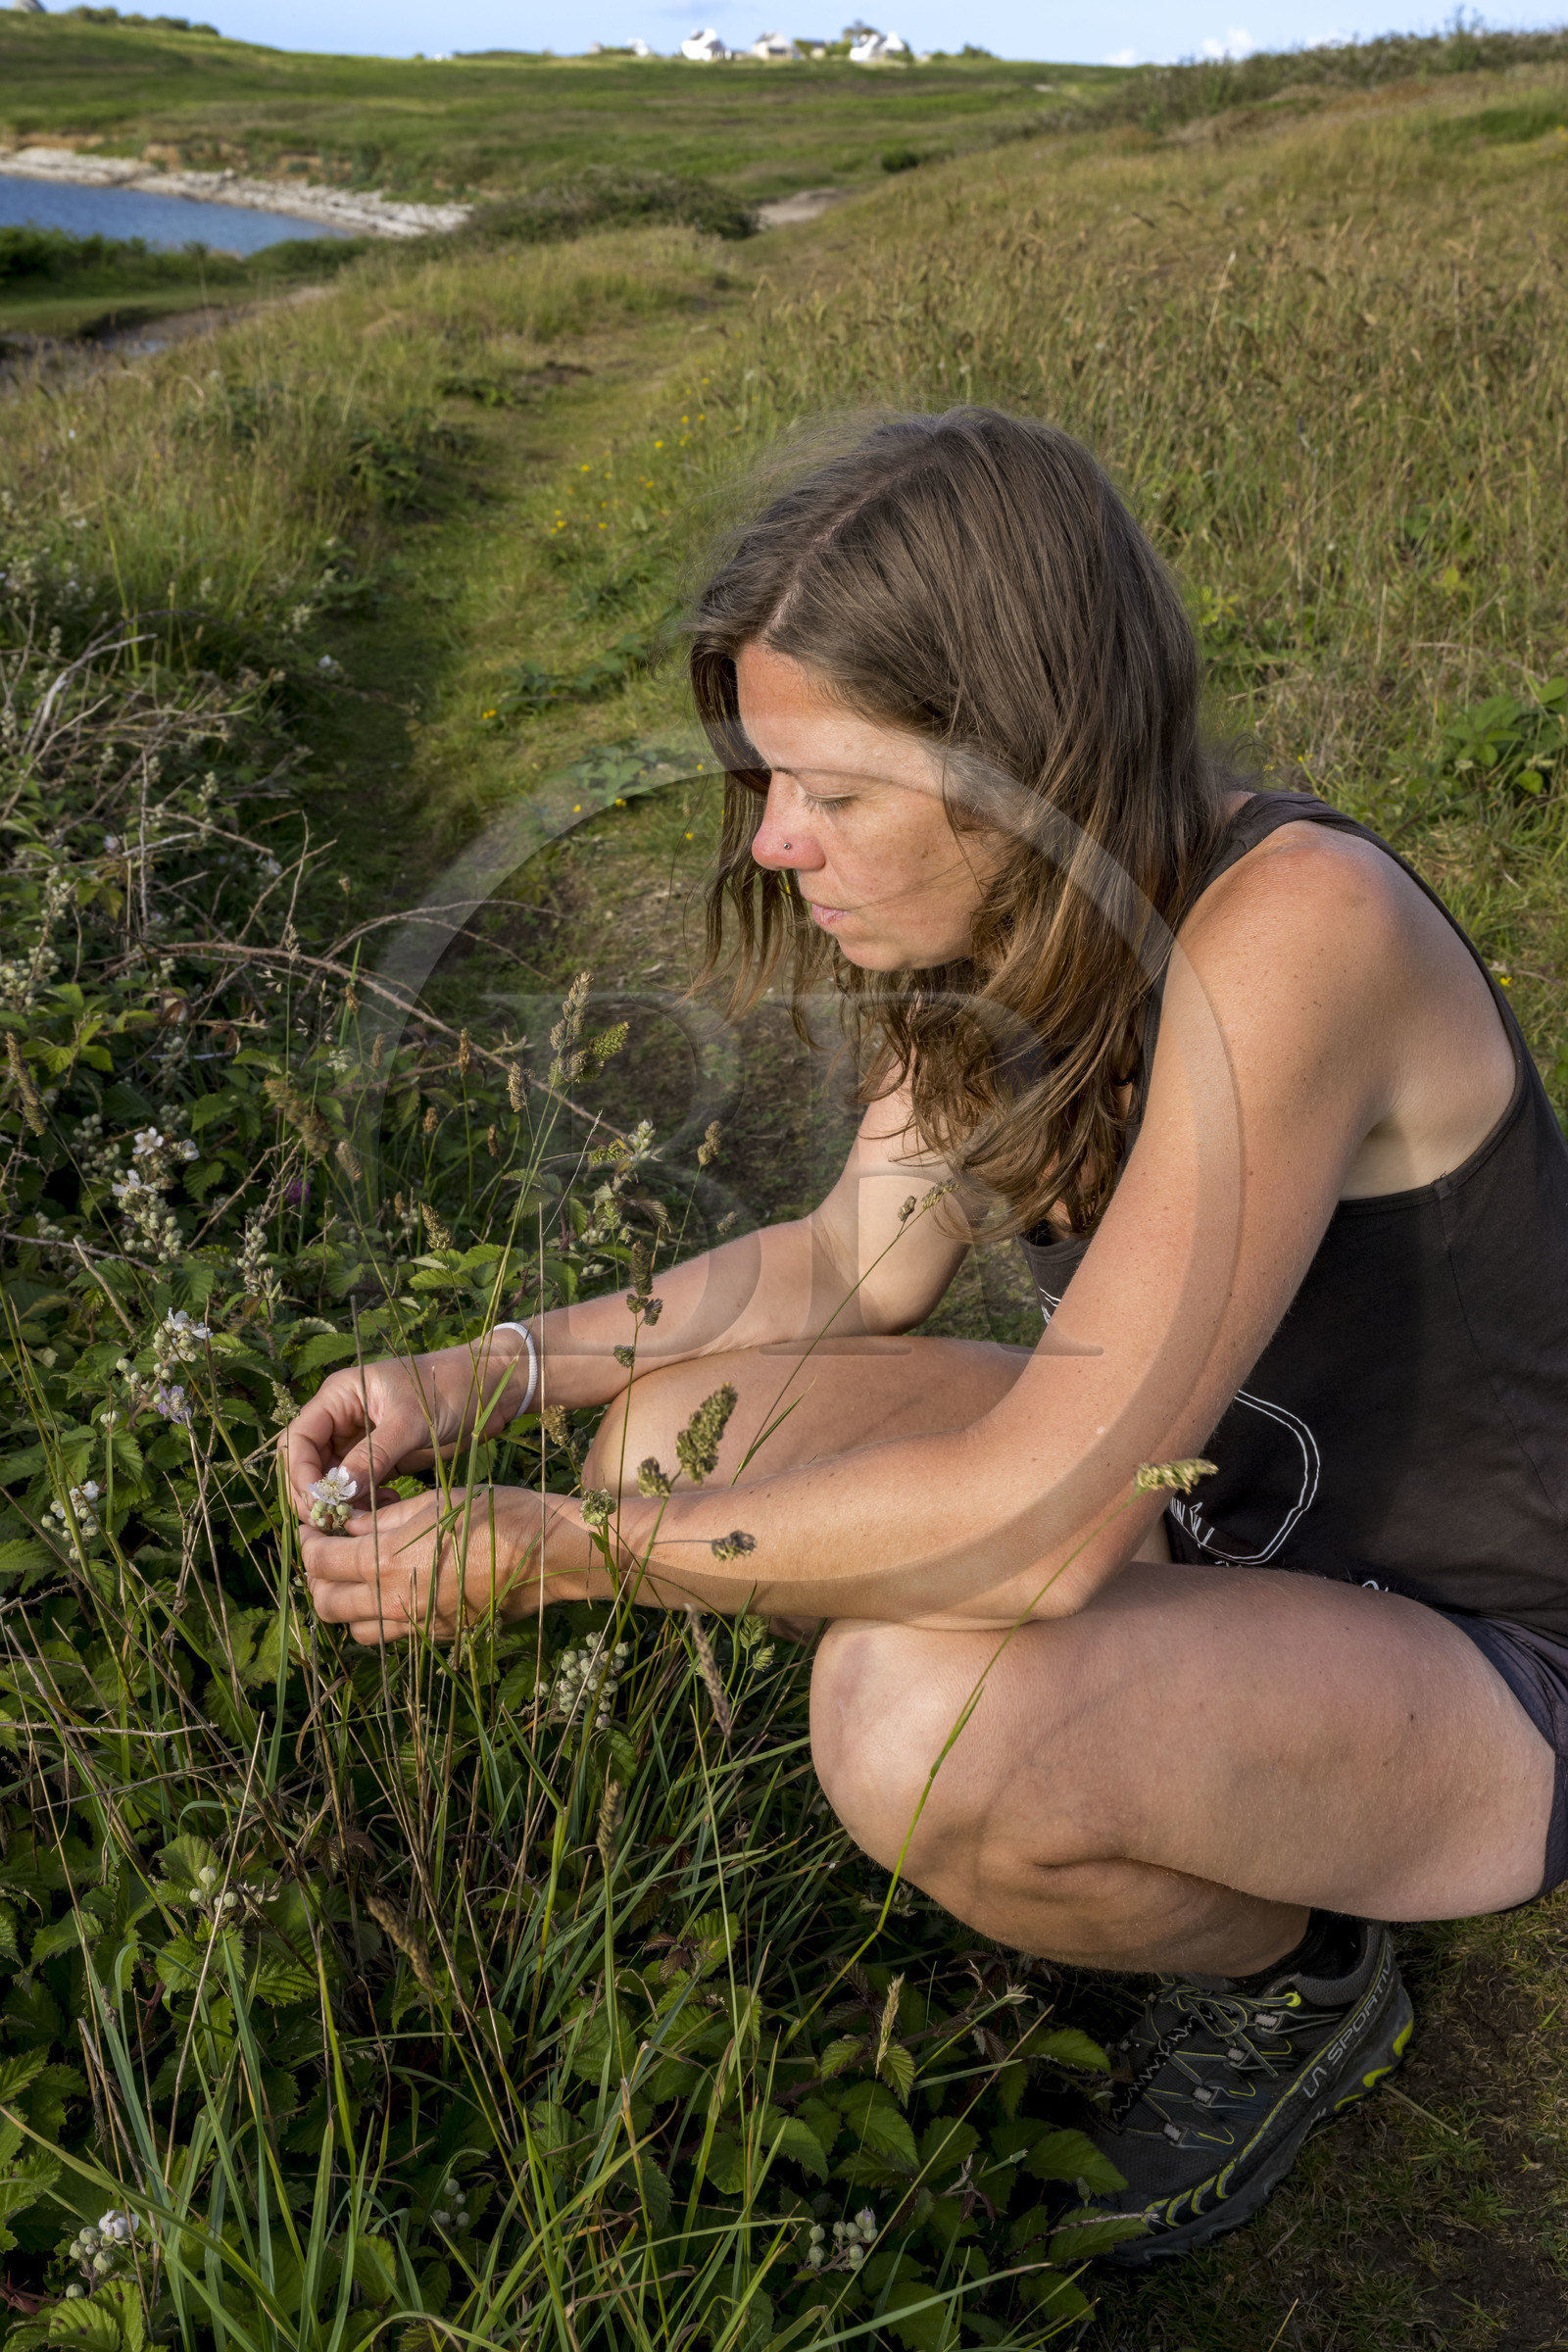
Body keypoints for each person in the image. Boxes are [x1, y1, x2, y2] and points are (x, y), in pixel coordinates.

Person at [290, 407, 1568, 2265]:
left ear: (1021, 757)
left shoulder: (1300, 930)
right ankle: (1195, 1809)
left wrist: (571, 1564)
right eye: (765, 780)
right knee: (670, 1438)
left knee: (911, 1721)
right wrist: (480, 1371)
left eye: (830, 787)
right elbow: (839, 1267)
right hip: (1207, 1515)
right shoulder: (1005, 941)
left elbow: (1045, 1530)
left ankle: (1299, 1980)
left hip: (1494, 1652)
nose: (775, 841)